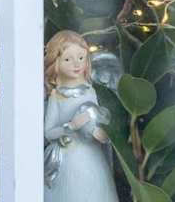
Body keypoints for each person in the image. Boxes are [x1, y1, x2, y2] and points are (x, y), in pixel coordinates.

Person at [43, 30, 119, 202]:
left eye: (81, 58)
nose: (76, 64)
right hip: (68, 158)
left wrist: (99, 131)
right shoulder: (56, 96)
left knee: (94, 191)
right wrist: (71, 126)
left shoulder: (90, 91)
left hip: (91, 154)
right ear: (56, 63)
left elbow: (95, 117)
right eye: (68, 59)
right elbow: (48, 132)